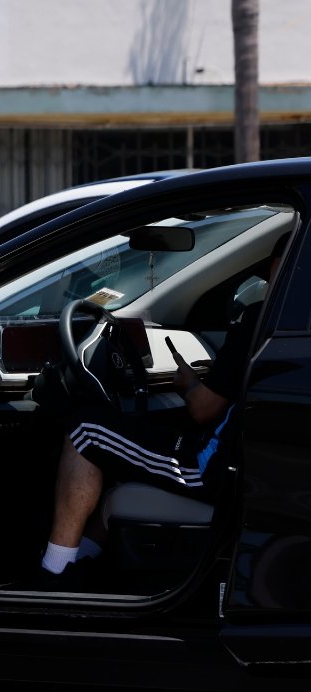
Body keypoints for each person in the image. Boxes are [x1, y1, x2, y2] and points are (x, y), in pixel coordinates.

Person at [37, 234, 286, 581]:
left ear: (279, 266)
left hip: (207, 468)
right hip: (234, 467)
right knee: (115, 467)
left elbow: (204, 409)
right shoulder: (287, 327)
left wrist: (186, 383)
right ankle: (82, 569)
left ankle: (53, 575)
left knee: (86, 431)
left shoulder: (261, 320)